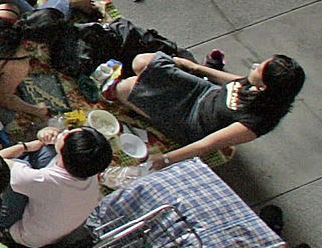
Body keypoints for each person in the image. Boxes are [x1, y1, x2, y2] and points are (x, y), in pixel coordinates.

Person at [105, 50, 303, 164]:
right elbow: (233, 83)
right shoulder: (259, 87)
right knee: (142, 62)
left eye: (259, 69)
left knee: (124, 88)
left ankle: (144, 105)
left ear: (266, 87)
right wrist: (195, 67)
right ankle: (144, 95)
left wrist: (165, 159)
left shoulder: (258, 121)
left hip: (190, 121)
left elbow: (207, 144)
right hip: (202, 91)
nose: (254, 66)